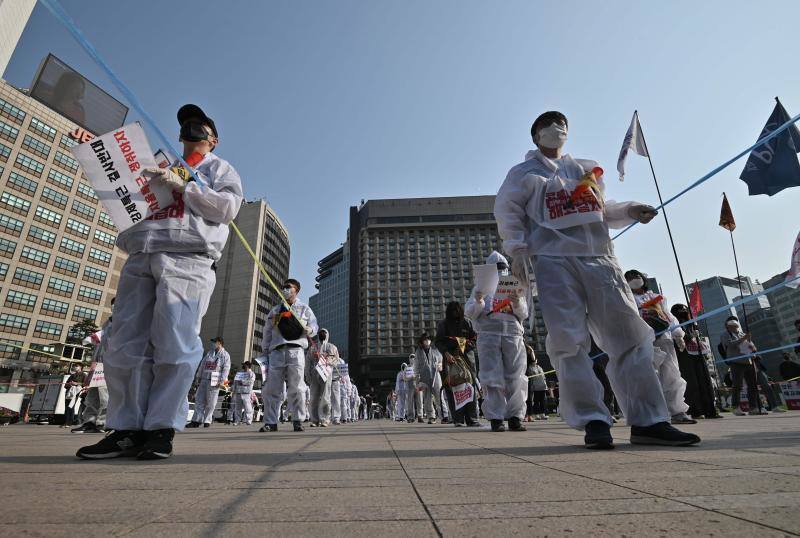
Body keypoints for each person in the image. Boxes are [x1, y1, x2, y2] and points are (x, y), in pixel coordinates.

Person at [494, 110, 700, 448]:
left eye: (562, 124)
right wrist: (516, 249)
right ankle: (592, 419)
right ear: (535, 135)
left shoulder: (586, 169)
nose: (557, 129)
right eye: (548, 124)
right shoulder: (522, 174)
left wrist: (632, 210)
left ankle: (649, 420)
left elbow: (604, 208)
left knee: (629, 336)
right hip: (552, 261)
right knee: (568, 340)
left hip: (600, 257)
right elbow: (508, 212)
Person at [77, 103, 243, 460]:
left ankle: (161, 428)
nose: (194, 129)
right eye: (188, 125)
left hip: (187, 258)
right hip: (142, 255)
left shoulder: (220, 169)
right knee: (124, 341)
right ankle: (126, 428)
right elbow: (128, 199)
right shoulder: (158, 160)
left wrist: (187, 187)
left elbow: (228, 209)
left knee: (175, 338)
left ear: (213, 140)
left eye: (202, 125)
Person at [465, 251, 529, 433]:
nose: (501, 272)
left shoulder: (512, 284)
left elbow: (524, 313)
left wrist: (517, 303)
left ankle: (516, 416)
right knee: (491, 377)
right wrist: (478, 301)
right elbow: (469, 312)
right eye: (498, 269)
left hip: (513, 333)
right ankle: (496, 417)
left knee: (516, 376)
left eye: (503, 269)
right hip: (488, 334)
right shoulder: (480, 287)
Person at [625, 270, 694, 425]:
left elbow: (668, 316)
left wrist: (678, 334)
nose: (634, 279)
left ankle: (677, 411)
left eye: (636, 276)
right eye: (630, 278)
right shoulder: (628, 299)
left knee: (672, 373)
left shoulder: (656, 297)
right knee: (650, 375)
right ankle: (655, 413)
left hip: (664, 338)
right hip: (645, 339)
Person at [259, 279, 318, 432]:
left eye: (288, 287)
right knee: (272, 388)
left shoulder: (304, 308)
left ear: (296, 290)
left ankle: (298, 419)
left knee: (297, 386)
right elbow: (267, 331)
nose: (285, 289)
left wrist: (310, 330)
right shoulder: (275, 310)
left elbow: (314, 325)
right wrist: (265, 350)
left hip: (296, 350)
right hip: (277, 351)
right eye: (283, 287)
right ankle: (270, 422)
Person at [670, 304, 721, 419]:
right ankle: (695, 410)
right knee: (692, 382)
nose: (684, 311)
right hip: (685, 355)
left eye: (685, 310)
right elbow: (675, 338)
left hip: (698, 353)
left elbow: (698, 337)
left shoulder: (692, 323)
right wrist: (688, 337)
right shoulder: (674, 323)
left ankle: (710, 409)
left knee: (705, 380)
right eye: (681, 310)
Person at [435, 301, 481, 427]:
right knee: (452, 387)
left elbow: (474, 339)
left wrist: (464, 348)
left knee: (470, 387)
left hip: (468, 359)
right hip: (450, 360)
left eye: (457, 310)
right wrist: (446, 353)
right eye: (452, 311)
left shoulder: (467, 322)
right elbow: (438, 341)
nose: (455, 313)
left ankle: (472, 418)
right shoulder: (443, 324)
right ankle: (458, 419)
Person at [73, 307, 114, 434]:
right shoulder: (107, 324)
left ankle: (102, 422)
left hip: (109, 365)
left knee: (105, 396)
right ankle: (89, 422)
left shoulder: (123, 322)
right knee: (92, 397)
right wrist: (91, 370)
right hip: (98, 366)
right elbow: (97, 348)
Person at [720, 316, 763, 416]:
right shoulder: (725, 335)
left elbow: (752, 346)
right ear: (728, 327)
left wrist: (753, 349)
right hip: (736, 362)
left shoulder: (742, 334)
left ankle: (753, 407)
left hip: (748, 362)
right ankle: (736, 407)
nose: (734, 327)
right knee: (737, 385)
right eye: (732, 326)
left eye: (736, 326)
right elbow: (729, 344)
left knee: (752, 385)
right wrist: (743, 339)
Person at [188, 337, 231, 428]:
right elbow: (202, 365)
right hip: (204, 379)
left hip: (215, 381)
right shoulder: (209, 353)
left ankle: (207, 420)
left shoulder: (225, 355)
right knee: (199, 400)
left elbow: (226, 369)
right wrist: (198, 376)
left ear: (220, 343)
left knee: (211, 402)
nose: (213, 344)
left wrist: (222, 381)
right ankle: (196, 420)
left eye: (215, 342)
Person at [307, 328, 338, 427]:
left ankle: (325, 419)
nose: (322, 335)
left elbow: (335, 360)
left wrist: (325, 358)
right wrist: (308, 375)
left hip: (326, 374)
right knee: (313, 397)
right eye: (320, 333)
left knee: (325, 396)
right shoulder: (313, 348)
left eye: (324, 333)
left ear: (327, 335)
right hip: (315, 374)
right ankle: (314, 419)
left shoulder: (332, 347)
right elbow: (308, 362)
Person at [413, 332, 444, 424]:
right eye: (425, 340)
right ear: (422, 342)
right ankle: (431, 416)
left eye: (428, 339)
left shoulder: (435, 350)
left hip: (436, 376)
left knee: (439, 396)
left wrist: (440, 365)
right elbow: (416, 366)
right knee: (427, 398)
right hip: (424, 377)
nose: (427, 341)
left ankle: (444, 416)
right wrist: (417, 379)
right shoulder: (418, 352)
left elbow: (441, 361)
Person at [526, 346, 548, 421]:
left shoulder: (539, 367)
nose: (535, 361)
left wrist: (546, 386)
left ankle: (542, 413)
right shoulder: (530, 367)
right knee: (535, 401)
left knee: (542, 401)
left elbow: (543, 376)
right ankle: (535, 414)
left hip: (542, 386)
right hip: (535, 386)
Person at [403, 354, 421, 422]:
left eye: (413, 357)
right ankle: (410, 417)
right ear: (409, 359)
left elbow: (422, 375)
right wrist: (410, 378)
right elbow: (404, 378)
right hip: (410, 386)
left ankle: (420, 416)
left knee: (419, 402)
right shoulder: (406, 368)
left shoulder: (419, 366)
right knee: (410, 402)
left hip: (418, 385)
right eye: (411, 357)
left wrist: (418, 377)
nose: (412, 359)